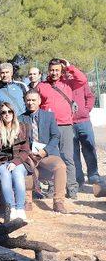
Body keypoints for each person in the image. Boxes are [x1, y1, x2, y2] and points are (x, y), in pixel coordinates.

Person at [36, 58, 87, 199]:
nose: (54, 73)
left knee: (68, 157)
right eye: (52, 70)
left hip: (65, 125)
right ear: (48, 70)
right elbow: (35, 102)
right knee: (52, 158)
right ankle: (53, 189)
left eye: (57, 70)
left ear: (61, 70)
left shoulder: (68, 82)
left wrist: (69, 67)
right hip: (48, 127)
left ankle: (72, 189)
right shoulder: (42, 86)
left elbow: (82, 80)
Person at [21, 90, 68, 213]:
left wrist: (45, 151)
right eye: (28, 100)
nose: (30, 103)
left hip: (46, 154)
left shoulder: (49, 116)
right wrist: (28, 153)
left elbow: (55, 136)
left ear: (39, 101)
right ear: (25, 101)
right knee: (25, 168)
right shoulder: (21, 118)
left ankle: (58, 202)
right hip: (29, 156)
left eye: (33, 100)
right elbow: (19, 140)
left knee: (60, 166)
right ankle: (27, 201)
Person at [0, 102, 31, 222]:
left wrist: (16, 162)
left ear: (13, 113)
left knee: (17, 174)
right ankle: (10, 208)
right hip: (1, 162)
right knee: (5, 175)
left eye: (9, 111)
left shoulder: (22, 127)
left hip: (19, 161)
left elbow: (26, 150)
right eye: (4, 112)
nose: (7, 114)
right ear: (0, 114)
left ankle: (20, 208)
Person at [72, 82, 101, 186]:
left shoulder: (81, 82)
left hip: (84, 122)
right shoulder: (61, 83)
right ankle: (78, 179)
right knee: (73, 153)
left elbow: (90, 96)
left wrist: (86, 110)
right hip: (68, 123)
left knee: (89, 149)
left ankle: (93, 176)